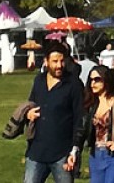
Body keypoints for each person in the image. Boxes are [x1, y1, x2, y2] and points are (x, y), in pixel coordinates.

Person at [23, 43, 84, 183]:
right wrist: (28, 114)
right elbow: (31, 104)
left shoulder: (73, 84)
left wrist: (75, 149)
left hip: (62, 153)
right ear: (46, 61)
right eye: (55, 61)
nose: (59, 65)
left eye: (62, 61)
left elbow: (80, 118)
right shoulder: (39, 81)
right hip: (37, 151)